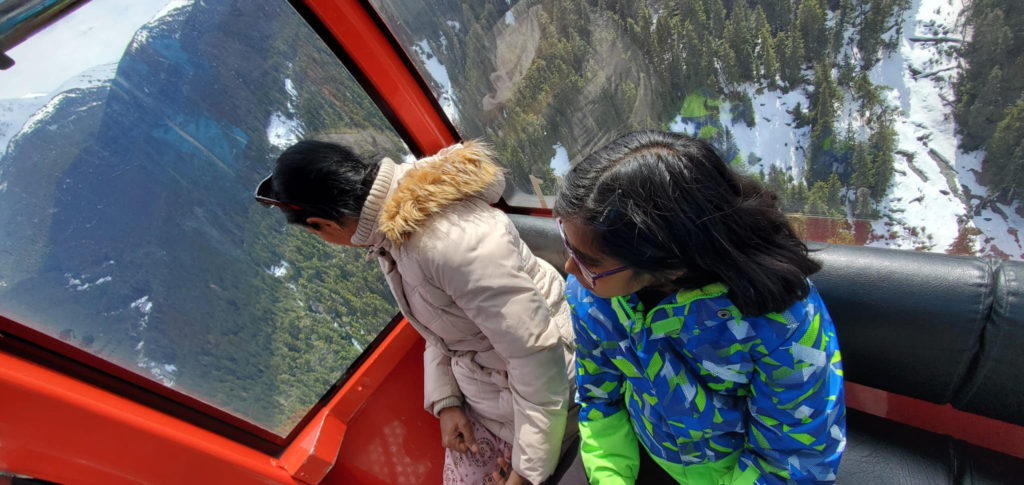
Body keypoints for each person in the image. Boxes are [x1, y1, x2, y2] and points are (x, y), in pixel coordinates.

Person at [255, 140, 576, 485]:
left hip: (550, 390)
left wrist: (525, 476)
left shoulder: (447, 243)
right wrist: (447, 402)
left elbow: (536, 354)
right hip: (498, 389)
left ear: (323, 225)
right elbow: (440, 324)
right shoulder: (392, 230)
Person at [553, 131, 846, 484]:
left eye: (588, 260)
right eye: (566, 244)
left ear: (668, 263)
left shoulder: (781, 319)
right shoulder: (592, 294)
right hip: (645, 450)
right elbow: (599, 395)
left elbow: (793, 457)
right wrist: (610, 476)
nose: (570, 268)